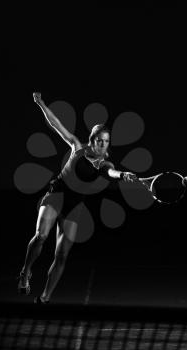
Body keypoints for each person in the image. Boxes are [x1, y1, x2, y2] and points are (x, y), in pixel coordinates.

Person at [17, 92, 136, 304]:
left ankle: (44, 298)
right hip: (56, 194)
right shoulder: (77, 147)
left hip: (74, 205)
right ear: (92, 140)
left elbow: (112, 173)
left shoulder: (104, 164)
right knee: (41, 236)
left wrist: (123, 175)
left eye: (106, 142)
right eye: (99, 140)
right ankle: (25, 272)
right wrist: (41, 103)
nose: (102, 144)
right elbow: (56, 124)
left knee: (62, 255)